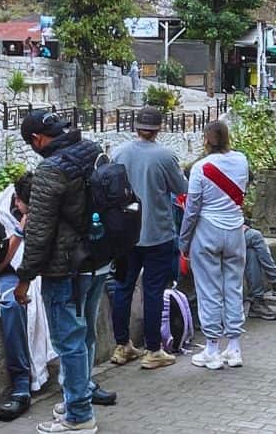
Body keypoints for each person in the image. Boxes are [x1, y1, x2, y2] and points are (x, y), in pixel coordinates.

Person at [16, 111, 117, 433]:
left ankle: (78, 415)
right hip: (98, 259)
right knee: (84, 334)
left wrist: (25, 277)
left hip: (67, 269)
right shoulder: (91, 149)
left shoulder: (50, 169)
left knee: (69, 340)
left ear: (36, 139)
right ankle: (79, 395)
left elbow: (39, 231)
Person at [107, 106, 189, 371]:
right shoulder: (165, 156)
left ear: (136, 127)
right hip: (157, 233)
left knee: (123, 288)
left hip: (125, 235)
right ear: (159, 128)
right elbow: (181, 188)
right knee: (153, 292)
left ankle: (122, 345)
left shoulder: (118, 152)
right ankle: (153, 349)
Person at [180, 121, 249, 370]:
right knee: (233, 288)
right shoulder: (242, 160)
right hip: (235, 230)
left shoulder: (200, 168)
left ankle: (211, 348)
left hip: (207, 231)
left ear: (206, 140)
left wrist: (184, 241)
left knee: (209, 290)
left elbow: (192, 208)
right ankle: (234, 347)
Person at [0, 173, 42, 423]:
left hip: (37, 268)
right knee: (12, 303)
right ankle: (21, 381)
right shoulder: (0, 215)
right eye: (28, 207)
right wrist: (21, 230)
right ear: (17, 201)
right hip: (10, 272)